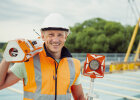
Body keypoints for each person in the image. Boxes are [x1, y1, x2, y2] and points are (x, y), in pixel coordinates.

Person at [0, 13, 86, 100]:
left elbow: (79, 97)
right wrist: (7, 56)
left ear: (65, 37)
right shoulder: (28, 61)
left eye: (60, 35)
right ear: (42, 36)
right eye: (51, 35)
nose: (55, 40)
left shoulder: (74, 65)